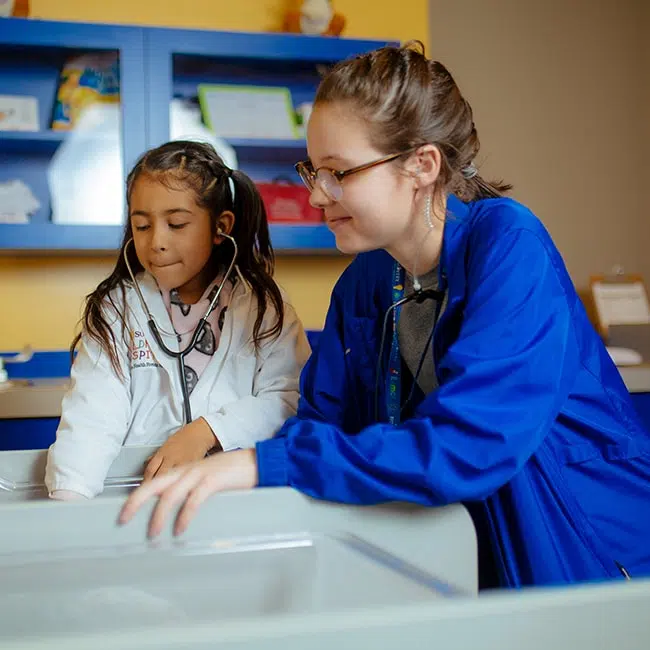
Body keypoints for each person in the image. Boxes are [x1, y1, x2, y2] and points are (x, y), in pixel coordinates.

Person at [119, 44, 650, 588]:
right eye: (313, 171)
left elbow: (471, 444)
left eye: (339, 172)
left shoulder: (509, 245)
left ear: (422, 165)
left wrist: (262, 465)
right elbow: (321, 425)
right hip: (467, 546)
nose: (317, 196)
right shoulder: (364, 283)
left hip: (595, 554)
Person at [45, 140, 310, 500]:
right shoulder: (118, 310)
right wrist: (69, 502)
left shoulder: (263, 307)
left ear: (221, 227)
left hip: (236, 500)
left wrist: (206, 431)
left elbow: (288, 398)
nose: (157, 241)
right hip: (137, 501)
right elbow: (91, 417)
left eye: (177, 223)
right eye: (142, 226)